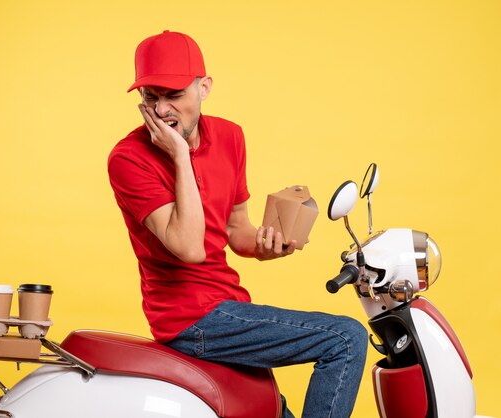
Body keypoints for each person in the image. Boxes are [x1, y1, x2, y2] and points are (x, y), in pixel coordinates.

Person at [107, 30, 368, 418]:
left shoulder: (230, 137)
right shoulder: (129, 159)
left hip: (230, 307)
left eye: (173, 95)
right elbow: (191, 248)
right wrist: (181, 156)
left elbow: (235, 230)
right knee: (346, 338)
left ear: (204, 88)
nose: (161, 111)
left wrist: (265, 247)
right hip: (188, 319)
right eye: (151, 98)